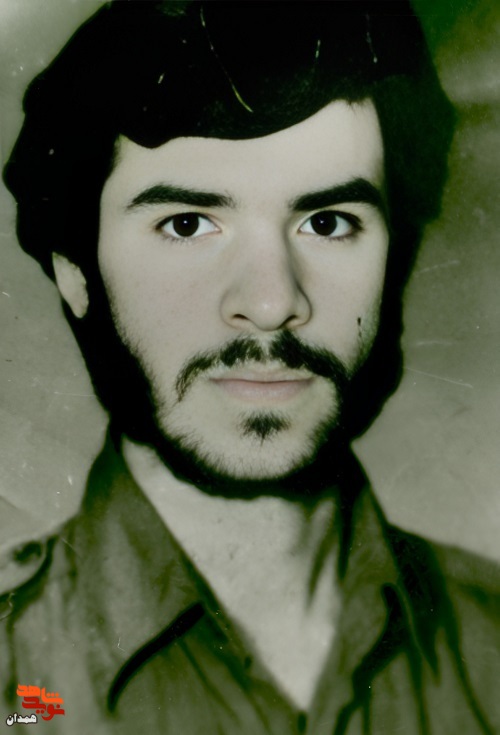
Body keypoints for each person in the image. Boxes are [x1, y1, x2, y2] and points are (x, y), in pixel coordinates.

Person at [1, 1, 499, 733]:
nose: (271, 304)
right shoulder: (16, 678)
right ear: (76, 273)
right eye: (187, 224)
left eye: (327, 222)